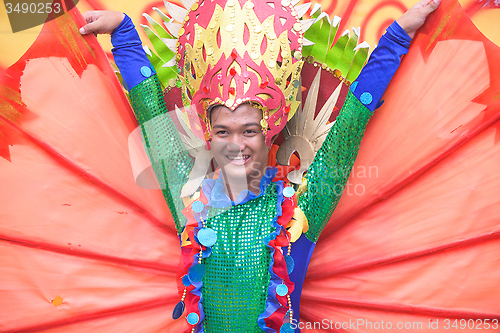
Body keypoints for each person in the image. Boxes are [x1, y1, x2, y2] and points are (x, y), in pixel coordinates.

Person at [79, 0, 440, 332]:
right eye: (224, 131)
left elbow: (352, 119)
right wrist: (123, 32)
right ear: (208, 134)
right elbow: (149, 108)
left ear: (268, 131)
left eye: (248, 130)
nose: (236, 145)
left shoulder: (300, 206)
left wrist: (398, 37)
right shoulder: (190, 199)